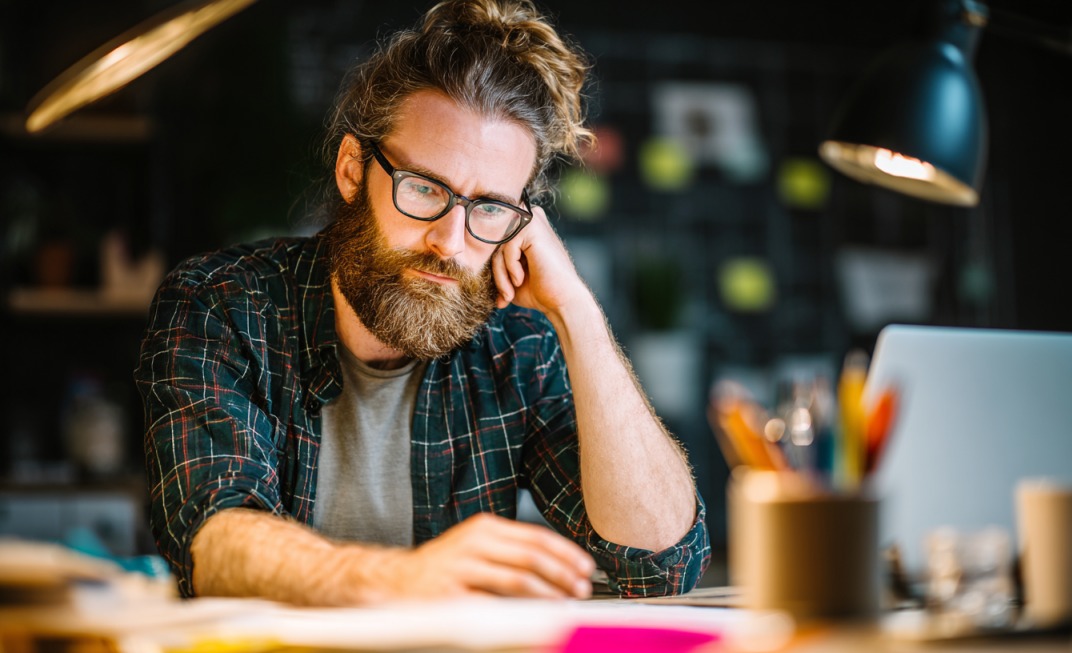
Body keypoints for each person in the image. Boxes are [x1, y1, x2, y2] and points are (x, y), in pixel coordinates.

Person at [135, 0, 709, 606]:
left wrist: (577, 314)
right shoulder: (223, 305)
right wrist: (400, 579)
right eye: (425, 188)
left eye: (489, 206)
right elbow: (213, 541)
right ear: (354, 170)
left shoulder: (517, 346)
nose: (451, 242)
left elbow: (662, 568)